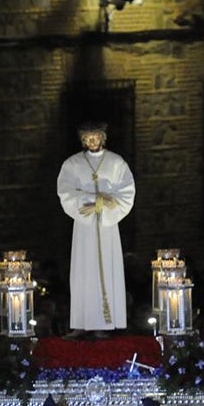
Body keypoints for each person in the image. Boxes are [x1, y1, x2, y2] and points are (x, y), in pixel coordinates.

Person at [56, 121, 135, 339]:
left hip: (108, 227)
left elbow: (127, 192)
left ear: (102, 138)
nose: (92, 141)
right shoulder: (72, 164)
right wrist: (98, 200)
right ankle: (81, 323)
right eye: (88, 138)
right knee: (83, 273)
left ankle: (104, 323)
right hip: (84, 227)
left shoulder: (116, 162)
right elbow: (66, 193)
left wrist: (104, 204)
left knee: (107, 271)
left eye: (95, 137)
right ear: (83, 140)